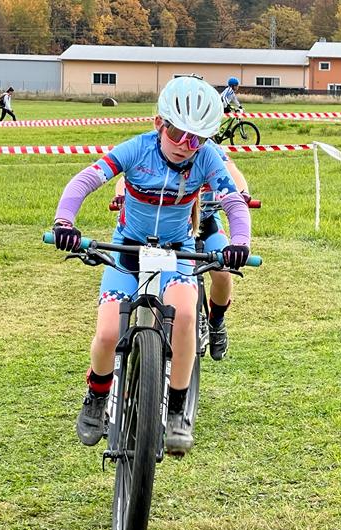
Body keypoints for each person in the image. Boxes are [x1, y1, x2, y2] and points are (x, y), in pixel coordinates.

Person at [50, 76, 252, 457]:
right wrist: (64, 221)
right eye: (177, 132)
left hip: (178, 250)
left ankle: (176, 409)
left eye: (197, 138)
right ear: (159, 122)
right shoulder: (137, 149)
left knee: (186, 314)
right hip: (128, 247)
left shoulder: (206, 159)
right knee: (108, 333)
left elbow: (233, 201)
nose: (185, 144)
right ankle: (97, 395)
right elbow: (85, 180)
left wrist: (240, 242)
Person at [109, 150, 252, 361]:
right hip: (170, 225)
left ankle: (216, 321)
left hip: (205, 221)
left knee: (222, 272)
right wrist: (121, 196)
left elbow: (232, 173)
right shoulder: (158, 153)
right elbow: (127, 177)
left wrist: (242, 193)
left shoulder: (211, 153)